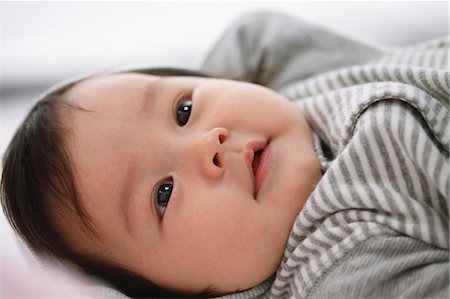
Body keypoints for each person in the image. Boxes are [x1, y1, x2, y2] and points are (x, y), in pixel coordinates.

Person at [1, 12, 448, 298]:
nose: (207, 144)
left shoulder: (283, 83)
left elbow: (251, 34)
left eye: (183, 110)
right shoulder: (346, 269)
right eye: (164, 194)